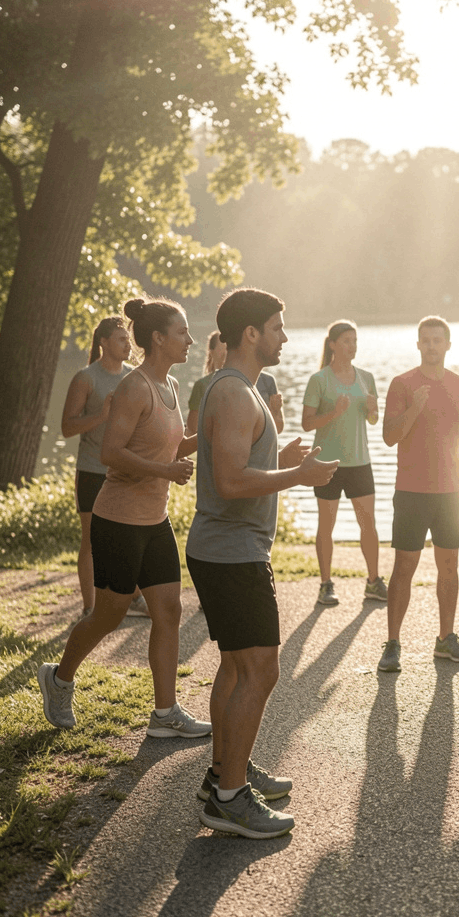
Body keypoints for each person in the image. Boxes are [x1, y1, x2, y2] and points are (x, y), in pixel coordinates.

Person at [186, 288, 338, 839]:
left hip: (229, 549)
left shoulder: (241, 391)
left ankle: (224, 774)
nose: (285, 336)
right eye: (277, 327)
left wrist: (282, 458)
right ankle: (228, 800)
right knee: (261, 668)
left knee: (234, 667)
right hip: (232, 552)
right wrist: (298, 477)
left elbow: (239, 462)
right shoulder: (231, 393)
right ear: (250, 334)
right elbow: (228, 483)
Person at [39, 298, 209, 738]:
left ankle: (165, 713)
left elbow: (169, 448)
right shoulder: (135, 387)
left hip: (155, 520)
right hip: (117, 520)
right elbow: (111, 452)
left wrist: (205, 438)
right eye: (182, 332)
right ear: (158, 338)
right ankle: (58, 678)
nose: (189, 340)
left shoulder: (169, 386)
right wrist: (167, 471)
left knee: (168, 610)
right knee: (109, 615)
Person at [377, 316, 459, 672]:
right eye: (426, 340)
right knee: (404, 566)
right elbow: (390, 436)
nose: (432, 346)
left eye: (438, 340)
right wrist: (413, 410)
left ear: (448, 344)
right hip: (411, 490)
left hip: (452, 491)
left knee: (449, 566)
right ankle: (392, 643)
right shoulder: (402, 384)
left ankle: (446, 639)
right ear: (418, 344)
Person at [301, 319, 386, 607]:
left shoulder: (366, 377)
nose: (352, 346)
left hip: (360, 462)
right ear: (333, 344)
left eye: (355, 341)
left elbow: (371, 420)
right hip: (326, 463)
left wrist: (374, 411)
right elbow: (306, 423)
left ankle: (374, 582)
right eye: (347, 341)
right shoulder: (319, 380)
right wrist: (334, 413)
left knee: (369, 525)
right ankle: (326, 585)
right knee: (327, 526)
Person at [61, 316, 142, 617]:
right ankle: (89, 608)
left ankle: (133, 597)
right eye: (121, 339)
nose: (127, 344)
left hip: (124, 471)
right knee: (92, 540)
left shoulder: (134, 376)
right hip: (92, 470)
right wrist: (103, 416)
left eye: (128, 339)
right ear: (103, 342)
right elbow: (67, 427)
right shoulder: (86, 378)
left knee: (130, 536)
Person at [187, 332, 285, 434]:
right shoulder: (202, 385)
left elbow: (278, 429)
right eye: (224, 347)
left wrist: (275, 411)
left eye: (231, 347)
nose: (228, 351)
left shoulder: (267, 381)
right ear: (211, 352)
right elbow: (193, 429)